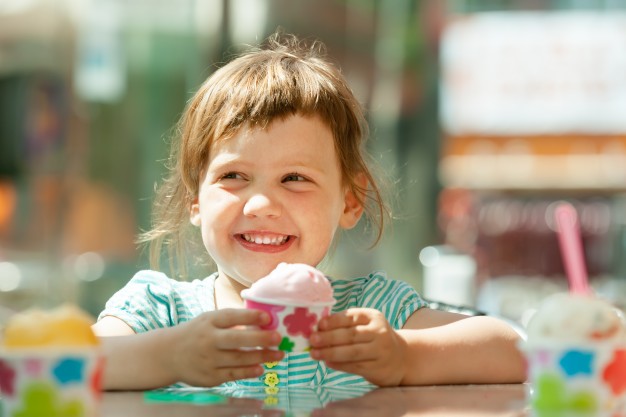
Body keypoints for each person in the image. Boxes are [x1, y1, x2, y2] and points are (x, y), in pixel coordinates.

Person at [93, 32, 526, 390]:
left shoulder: (370, 312)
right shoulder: (160, 310)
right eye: (233, 176)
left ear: (350, 201)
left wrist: (405, 356)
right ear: (195, 199)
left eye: (295, 179)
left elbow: (512, 350)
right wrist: (171, 354)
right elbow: (74, 364)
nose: (261, 205)